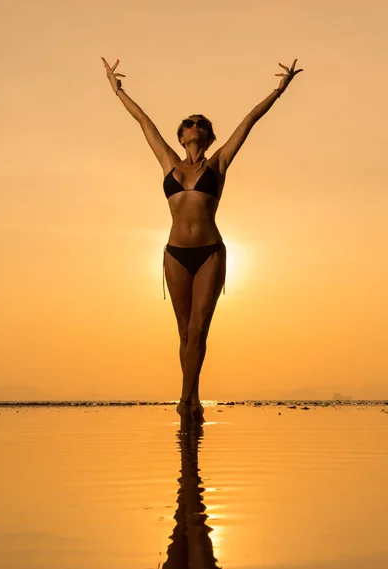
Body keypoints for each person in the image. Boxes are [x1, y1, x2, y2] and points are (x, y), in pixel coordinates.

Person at [101, 57, 303, 424]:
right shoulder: (169, 164)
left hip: (210, 252)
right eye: (189, 124)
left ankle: (183, 400)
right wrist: (118, 91)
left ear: (208, 136)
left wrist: (278, 91)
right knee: (183, 332)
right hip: (175, 254)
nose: (195, 126)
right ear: (181, 136)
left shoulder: (219, 163)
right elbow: (143, 121)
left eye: (201, 124)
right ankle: (193, 402)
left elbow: (249, 122)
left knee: (198, 330)